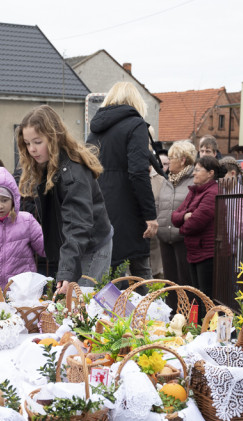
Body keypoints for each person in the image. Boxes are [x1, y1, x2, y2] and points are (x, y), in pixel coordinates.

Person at [17, 105, 113, 293]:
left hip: (91, 245)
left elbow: (78, 224)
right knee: (72, 302)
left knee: (84, 302)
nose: (32, 149)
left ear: (54, 137)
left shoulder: (72, 174)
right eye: (27, 143)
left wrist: (67, 271)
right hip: (76, 245)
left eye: (37, 142)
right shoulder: (47, 164)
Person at [86, 82, 158, 280]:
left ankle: (112, 302)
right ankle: (148, 302)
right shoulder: (136, 125)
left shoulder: (95, 131)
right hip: (128, 210)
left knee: (108, 274)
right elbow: (138, 172)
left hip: (99, 208)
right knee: (140, 272)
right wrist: (150, 215)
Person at [171, 156, 222, 305]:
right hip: (195, 251)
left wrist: (182, 226)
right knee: (197, 295)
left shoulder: (213, 192)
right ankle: (201, 321)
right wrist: (184, 216)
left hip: (207, 253)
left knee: (205, 297)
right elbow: (174, 216)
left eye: (198, 170)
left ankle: (207, 321)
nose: (193, 173)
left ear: (210, 173)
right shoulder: (195, 191)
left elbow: (196, 222)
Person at [154, 141, 197, 293]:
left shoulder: (194, 181)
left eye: (171, 158)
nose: (168, 161)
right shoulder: (168, 180)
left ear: (183, 160)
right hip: (165, 238)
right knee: (169, 284)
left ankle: (185, 308)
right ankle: (171, 308)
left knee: (185, 283)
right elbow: (158, 204)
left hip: (183, 239)